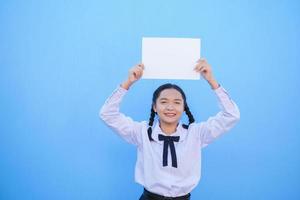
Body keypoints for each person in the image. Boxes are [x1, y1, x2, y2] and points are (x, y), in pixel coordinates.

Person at [99, 59, 240, 200]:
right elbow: (107, 114)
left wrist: (212, 81)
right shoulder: (141, 132)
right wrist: (127, 83)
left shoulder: (196, 134)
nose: (170, 107)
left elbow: (231, 115)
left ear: (184, 107)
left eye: (177, 102)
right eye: (164, 102)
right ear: (155, 107)